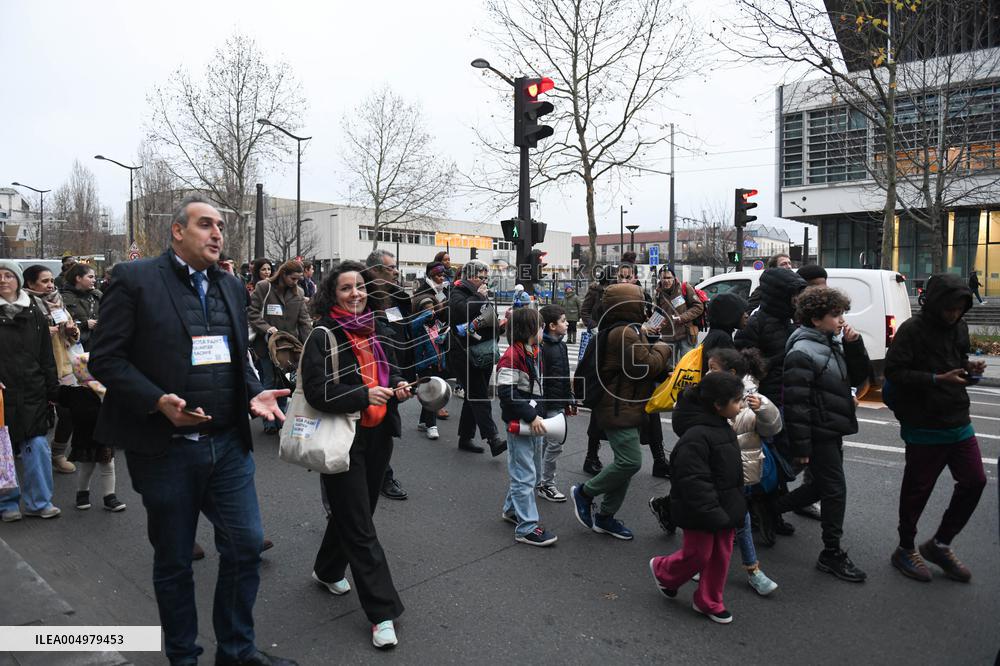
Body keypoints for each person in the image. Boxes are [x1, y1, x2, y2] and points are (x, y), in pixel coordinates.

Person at [88, 195, 295, 666]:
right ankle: (184, 657)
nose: (217, 233)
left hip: (226, 444)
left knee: (244, 546)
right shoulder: (134, 279)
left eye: (220, 226)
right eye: (206, 225)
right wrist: (157, 402)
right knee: (175, 560)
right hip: (165, 450)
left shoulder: (229, 286)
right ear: (178, 232)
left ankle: (237, 652)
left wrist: (255, 392)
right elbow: (105, 358)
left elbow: (234, 356)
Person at [300, 260, 410, 649]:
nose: (355, 294)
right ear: (333, 293)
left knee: (357, 512)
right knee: (361, 528)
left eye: (360, 287)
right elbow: (316, 391)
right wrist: (364, 395)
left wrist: (398, 385)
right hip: (341, 438)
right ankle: (382, 613)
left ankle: (327, 568)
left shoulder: (376, 329)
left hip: (378, 435)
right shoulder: (322, 335)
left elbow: (391, 371)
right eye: (346, 288)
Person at [885, 273, 987, 583]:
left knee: (975, 481)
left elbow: (957, 360)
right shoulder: (912, 330)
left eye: (959, 308)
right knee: (918, 491)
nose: (954, 314)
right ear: (935, 304)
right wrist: (934, 379)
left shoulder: (960, 327)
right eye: (949, 308)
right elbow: (894, 372)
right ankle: (905, 548)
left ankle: (940, 543)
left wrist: (970, 369)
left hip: (958, 418)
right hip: (923, 422)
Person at [775, 286, 871, 583]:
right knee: (835, 489)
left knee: (821, 488)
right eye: (835, 314)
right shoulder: (803, 351)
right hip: (818, 432)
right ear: (816, 319)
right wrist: (801, 447)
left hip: (830, 427)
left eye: (842, 313)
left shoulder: (832, 342)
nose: (841, 319)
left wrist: (854, 346)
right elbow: (796, 404)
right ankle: (831, 552)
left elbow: (860, 378)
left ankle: (765, 508)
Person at [570, 283, 671, 541]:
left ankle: (605, 517)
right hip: (617, 406)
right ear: (629, 305)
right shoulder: (624, 333)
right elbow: (642, 366)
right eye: (641, 302)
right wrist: (662, 347)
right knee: (630, 461)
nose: (645, 307)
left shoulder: (622, 330)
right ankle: (585, 492)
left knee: (623, 463)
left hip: (626, 404)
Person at [648, 372, 746, 624]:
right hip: (701, 510)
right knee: (698, 554)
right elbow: (693, 481)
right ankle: (663, 571)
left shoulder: (723, 427)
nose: (741, 405)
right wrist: (712, 511)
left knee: (721, 556)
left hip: (724, 507)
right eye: (737, 401)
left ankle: (708, 600)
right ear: (718, 405)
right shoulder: (697, 436)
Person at [707, 348, 780, 596]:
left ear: (732, 373)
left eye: (713, 368)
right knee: (710, 522)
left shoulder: (752, 400)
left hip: (738, 474)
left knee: (741, 520)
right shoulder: (708, 395)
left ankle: (752, 570)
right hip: (712, 473)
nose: (708, 373)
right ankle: (700, 562)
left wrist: (764, 408)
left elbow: (772, 427)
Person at [0, 260, 62, 522]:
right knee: (3, 450)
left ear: (17, 279)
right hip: (2, 394)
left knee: (37, 445)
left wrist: (52, 388)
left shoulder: (34, 312)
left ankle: (39, 501)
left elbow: (46, 354)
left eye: (7, 275)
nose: (3, 280)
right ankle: (7, 504)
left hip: (33, 389)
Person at [497, 307, 558, 546]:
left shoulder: (532, 351)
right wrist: (532, 416)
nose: (543, 331)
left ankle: (512, 510)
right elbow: (506, 393)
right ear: (530, 330)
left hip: (532, 421)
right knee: (524, 474)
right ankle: (526, 527)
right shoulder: (512, 355)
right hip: (521, 422)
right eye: (540, 327)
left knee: (530, 470)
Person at [362, 251, 412, 501]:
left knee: (385, 428)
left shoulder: (397, 296)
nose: (396, 271)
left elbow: (402, 329)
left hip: (394, 367)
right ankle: (382, 476)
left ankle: (380, 474)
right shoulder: (363, 298)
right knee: (372, 428)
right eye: (391, 268)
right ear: (375, 271)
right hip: (369, 374)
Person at [23, 264, 79, 474]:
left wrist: (73, 331)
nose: (50, 285)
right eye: (44, 281)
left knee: (68, 411)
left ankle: (57, 454)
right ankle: (28, 455)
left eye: (51, 281)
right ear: (30, 283)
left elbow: (71, 334)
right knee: (34, 416)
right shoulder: (23, 304)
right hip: (35, 369)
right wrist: (43, 330)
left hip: (63, 365)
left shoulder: (58, 301)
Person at [447, 260, 505, 455]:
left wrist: (501, 324)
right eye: (481, 277)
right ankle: (493, 439)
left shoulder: (480, 294)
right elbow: (462, 313)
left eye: (486, 278)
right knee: (479, 395)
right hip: (464, 353)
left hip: (483, 351)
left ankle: (465, 437)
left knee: (472, 396)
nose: (484, 281)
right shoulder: (457, 292)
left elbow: (488, 319)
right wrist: (480, 296)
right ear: (470, 276)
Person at [248, 260, 312, 435]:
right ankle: (269, 419)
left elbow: (304, 321)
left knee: (285, 382)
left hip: (288, 348)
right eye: (293, 278)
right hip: (266, 345)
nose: (296, 282)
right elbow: (252, 313)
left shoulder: (298, 292)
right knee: (269, 381)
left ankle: (281, 417)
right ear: (283, 274)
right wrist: (267, 328)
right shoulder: (263, 287)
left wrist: (309, 346)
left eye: (299, 279)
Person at [62, 350, 125, 512]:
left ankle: (110, 497)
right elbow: (58, 394)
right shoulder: (75, 392)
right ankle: (82, 494)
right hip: (86, 437)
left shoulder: (105, 391)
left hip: (103, 436)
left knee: (108, 466)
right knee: (87, 467)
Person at [537, 304, 575, 503]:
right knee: (554, 444)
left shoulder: (561, 344)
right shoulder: (542, 348)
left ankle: (539, 479)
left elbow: (564, 375)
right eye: (563, 320)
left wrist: (568, 398)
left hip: (558, 402)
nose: (567, 323)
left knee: (546, 443)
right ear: (551, 325)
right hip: (548, 404)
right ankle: (546, 483)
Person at [411, 261, 451, 425]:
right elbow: (416, 316)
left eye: (443, 275)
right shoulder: (424, 290)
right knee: (430, 381)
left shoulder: (444, 290)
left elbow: (445, 311)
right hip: (425, 339)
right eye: (438, 275)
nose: (442, 278)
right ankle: (432, 418)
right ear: (430, 275)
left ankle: (425, 419)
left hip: (437, 335)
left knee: (435, 377)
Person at [408, 295, 448, 441]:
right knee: (432, 395)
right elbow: (411, 326)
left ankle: (423, 422)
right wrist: (424, 316)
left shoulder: (437, 323)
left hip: (437, 362)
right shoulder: (418, 325)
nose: (430, 310)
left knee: (430, 393)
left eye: (431, 307)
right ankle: (432, 426)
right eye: (426, 308)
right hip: (425, 363)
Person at [654, 267, 704, 364]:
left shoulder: (684, 288)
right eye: (663, 278)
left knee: (687, 366)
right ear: (659, 278)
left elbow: (698, 307)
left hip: (686, 335)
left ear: (674, 278)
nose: (666, 281)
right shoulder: (658, 294)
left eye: (669, 278)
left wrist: (682, 318)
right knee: (669, 369)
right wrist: (654, 324)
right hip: (668, 336)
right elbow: (657, 313)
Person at [699, 292, 747, 375]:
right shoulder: (722, 338)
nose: (746, 315)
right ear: (728, 314)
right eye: (741, 312)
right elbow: (725, 374)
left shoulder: (716, 334)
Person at [61, 262, 101, 351]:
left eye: (94, 277)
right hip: (76, 347)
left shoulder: (97, 296)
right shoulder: (64, 298)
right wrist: (84, 324)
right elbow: (61, 327)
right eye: (90, 277)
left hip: (99, 345)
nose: (94, 280)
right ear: (78, 278)